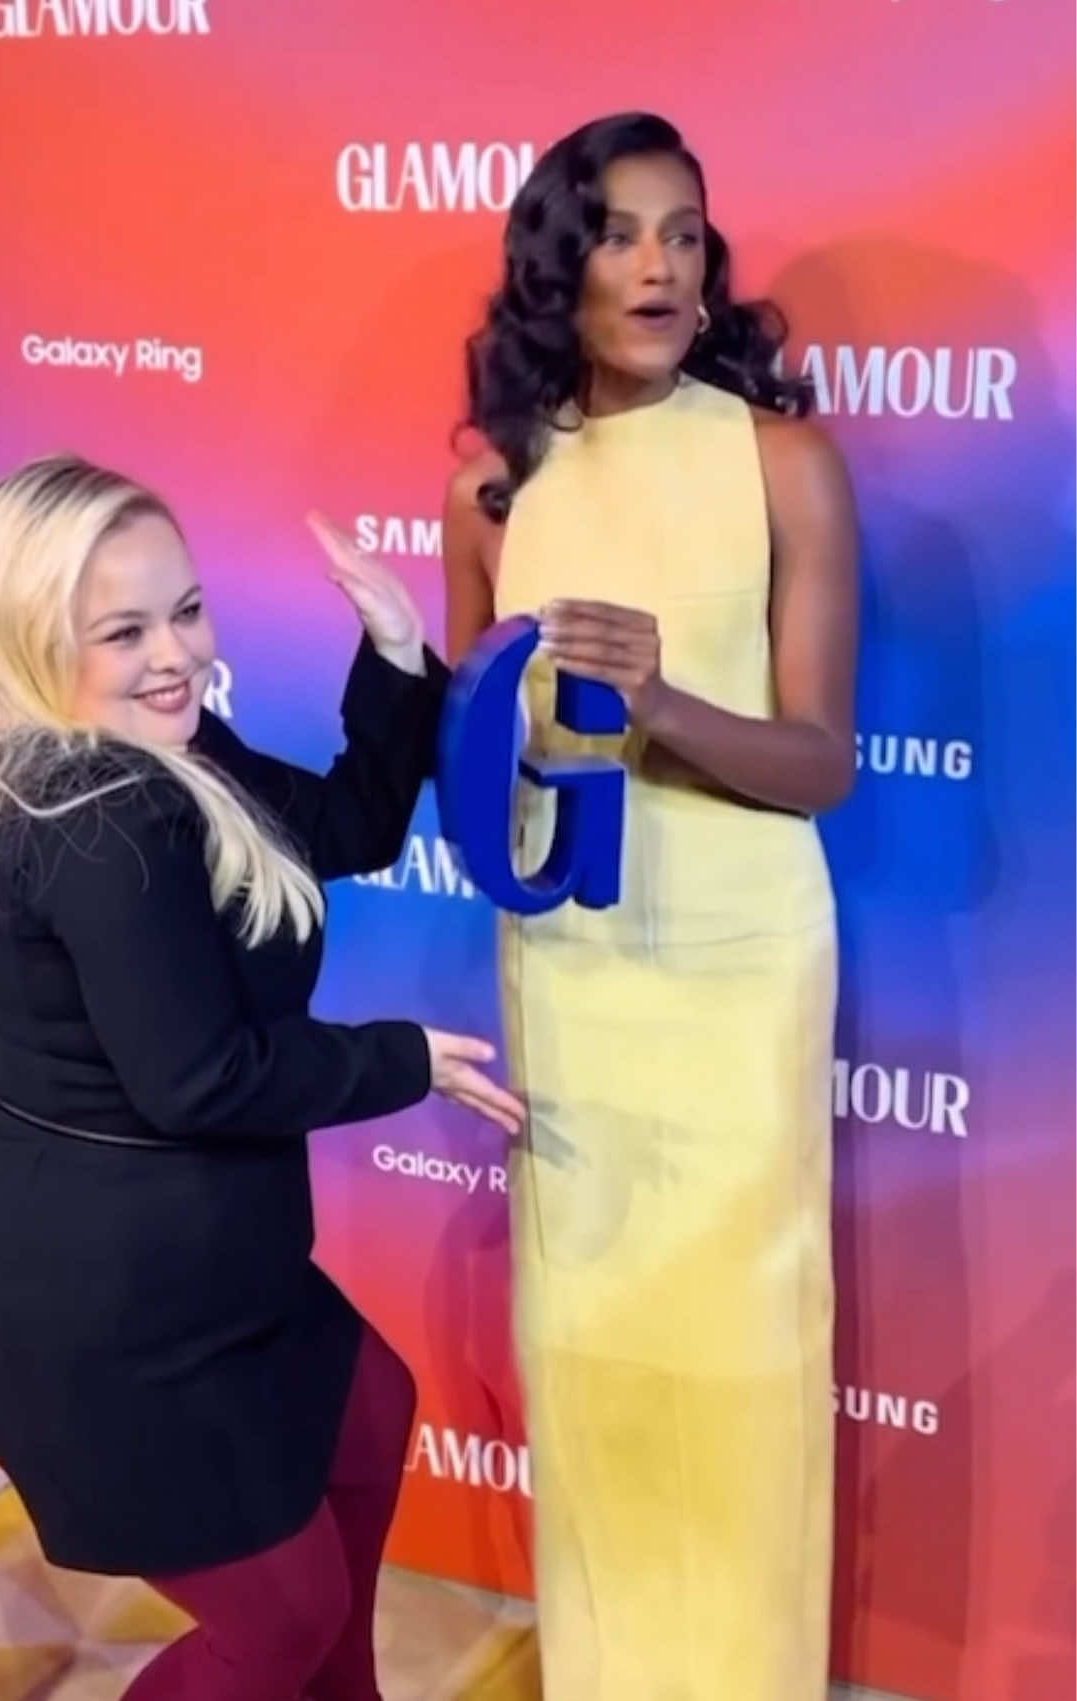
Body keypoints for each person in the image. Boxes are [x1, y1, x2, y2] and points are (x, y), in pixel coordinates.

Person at [0, 453, 524, 1701]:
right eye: (123, 630)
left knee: (364, 1417)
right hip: (96, 1309)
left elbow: (348, 826)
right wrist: (401, 1058)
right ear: (32, 642)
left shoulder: (164, 754)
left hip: (197, 1259)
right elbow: (200, 1079)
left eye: (186, 612)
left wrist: (398, 651)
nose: (175, 656)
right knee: (280, 1621)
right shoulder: (97, 813)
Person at [442, 113, 858, 1700]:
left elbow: (818, 763)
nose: (661, 266)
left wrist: (662, 699)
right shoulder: (492, 483)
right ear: (560, 263)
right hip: (575, 963)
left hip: (738, 965)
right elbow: (472, 757)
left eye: (684, 233)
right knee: (592, 1340)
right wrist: (407, 685)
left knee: (745, 1353)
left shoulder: (779, 462)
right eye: (621, 233)